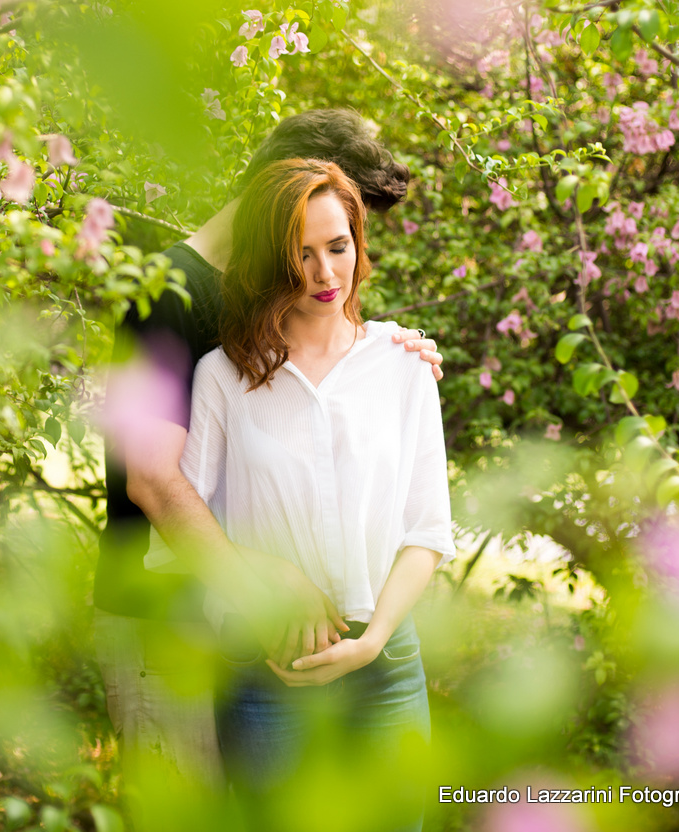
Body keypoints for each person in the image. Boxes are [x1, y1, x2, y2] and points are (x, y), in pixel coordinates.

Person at [92, 110, 444, 793]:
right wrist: (268, 579)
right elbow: (153, 481)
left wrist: (396, 352)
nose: (323, 261)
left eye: (337, 239)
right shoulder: (164, 294)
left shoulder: (262, 293)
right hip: (166, 624)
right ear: (277, 191)